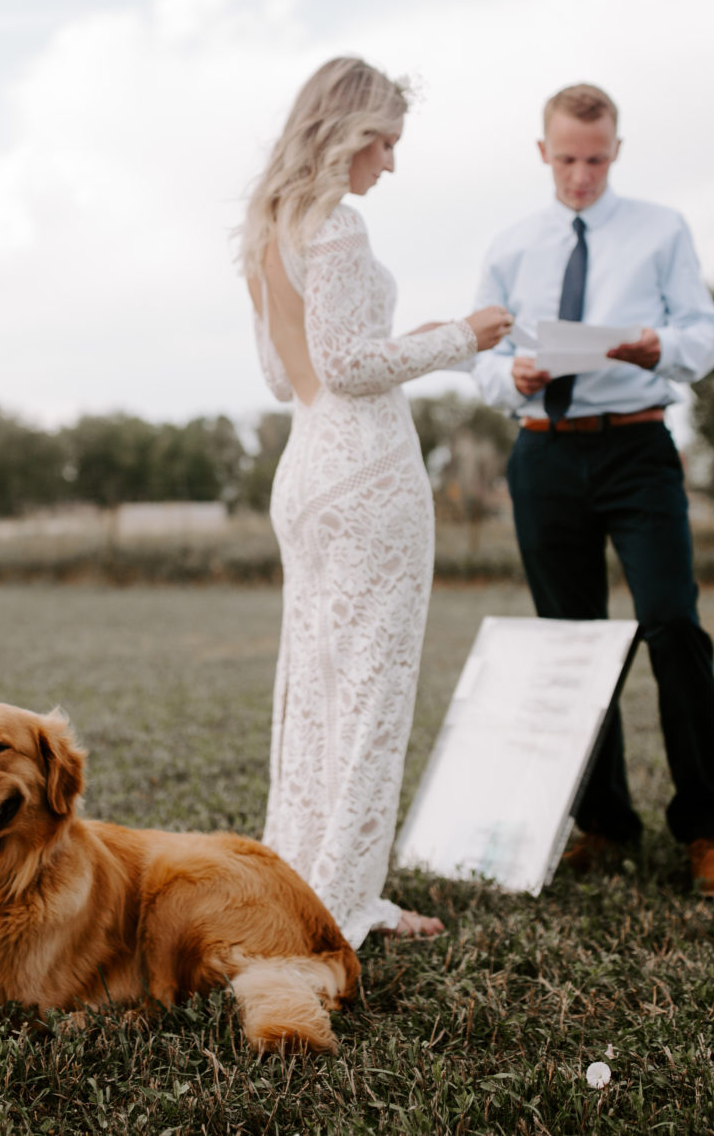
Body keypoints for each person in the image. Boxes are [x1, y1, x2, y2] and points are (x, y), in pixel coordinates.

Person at [242, 56, 514, 946]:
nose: (389, 162)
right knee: (371, 690)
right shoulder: (339, 227)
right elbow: (355, 366)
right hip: (365, 476)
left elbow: (285, 377)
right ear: (343, 133)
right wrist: (461, 335)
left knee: (315, 688)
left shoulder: (266, 230)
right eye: (383, 141)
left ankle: (299, 883)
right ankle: (345, 903)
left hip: (305, 474)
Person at [470, 83, 714, 897]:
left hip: (637, 450)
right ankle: (604, 821)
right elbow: (475, 354)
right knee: (572, 644)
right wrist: (504, 371)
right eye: (566, 159)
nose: (581, 176)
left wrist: (657, 346)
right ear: (541, 153)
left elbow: (707, 335)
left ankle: (704, 827)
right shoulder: (512, 245)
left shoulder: (662, 230)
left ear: (616, 150)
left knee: (672, 624)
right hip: (544, 455)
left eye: (595, 158)